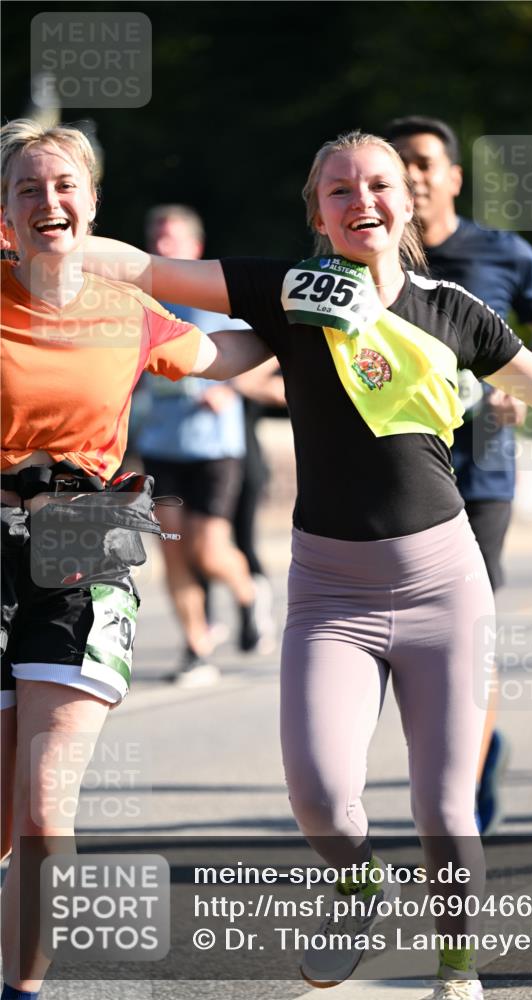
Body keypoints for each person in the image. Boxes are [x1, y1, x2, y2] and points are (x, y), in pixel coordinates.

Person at [84, 130, 532, 1000]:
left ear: (407, 203)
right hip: (328, 590)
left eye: (379, 185)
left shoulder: (455, 310)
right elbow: (143, 270)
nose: (362, 201)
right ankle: (357, 882)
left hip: (443, 583)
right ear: (316, 212)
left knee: (444, 808)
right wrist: (37, 234)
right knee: (318, 798)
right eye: (339, 190)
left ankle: (457, 972)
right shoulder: (292, 291)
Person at [0, 119, 271, 1000]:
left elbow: (223, 356)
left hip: (83, 547)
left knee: (44, 813)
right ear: (3, 216)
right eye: (29, 189)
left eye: (64, 186)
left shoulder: (127, 310)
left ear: (91, 206)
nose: (50, 201)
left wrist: (309, 307)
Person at [385, 115, 532, 834]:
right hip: (401, 468)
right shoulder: (376, 260)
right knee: (410, 631)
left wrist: (525, 386)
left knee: (472, 628)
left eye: (424, 162)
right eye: (398, 160)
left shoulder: (499, 251)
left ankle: (463, 777)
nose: (411, 173)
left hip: (482, 468)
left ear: (452, 178)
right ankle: (465, 747)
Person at [137, 204, 282, 684]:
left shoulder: (216, 301)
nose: (161, 247)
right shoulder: (142, 304)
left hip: (216, 450)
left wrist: (230, 387)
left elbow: (264, 356)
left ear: (194, 249)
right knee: (173, 550)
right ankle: (196, 649)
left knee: (208, 549)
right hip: (161, 445)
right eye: (156, 239)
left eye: (171, 240)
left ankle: (248, 592)